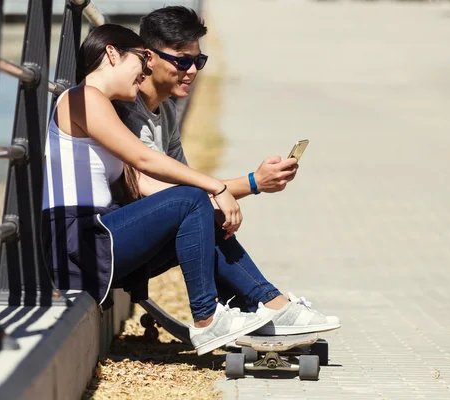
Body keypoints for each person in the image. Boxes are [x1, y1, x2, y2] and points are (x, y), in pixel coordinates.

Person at [41, 24, 333, 357]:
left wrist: (217, 195)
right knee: (193, 200)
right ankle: (208, 320)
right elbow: (142, 158)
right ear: (112, 53)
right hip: (79, 241)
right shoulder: (82, 97)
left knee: (200, 210)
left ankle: (266, 306)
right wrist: (215, 185)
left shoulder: (102, 105)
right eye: (141, 60)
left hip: (99, 236)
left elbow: (144, 182)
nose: (145, 71)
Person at [114, 6, 341, 335]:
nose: (192, 70)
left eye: (199, 61)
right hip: (114, 246)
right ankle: (249, 310)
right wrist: (253, 183)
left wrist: (226, 195)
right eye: (182, 60)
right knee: (201, 208)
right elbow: (171, 192)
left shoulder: (166, 111)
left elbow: (186, 187)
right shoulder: (127, 113)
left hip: (144, 238)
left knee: (207, 214)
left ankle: (261, 308)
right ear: (149, 58)